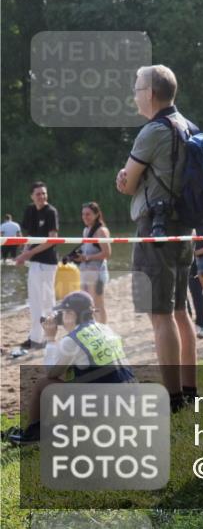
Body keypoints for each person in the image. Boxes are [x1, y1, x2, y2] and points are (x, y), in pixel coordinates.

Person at [115, 64, 198, 411]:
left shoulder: (152, 131)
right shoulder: (188, 127)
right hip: (184, 230)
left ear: (150, 94)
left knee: (160, 315)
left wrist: (124, 178)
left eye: (136, 88)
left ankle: (173, 398)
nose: (133, 94)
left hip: (156, 231)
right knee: (181, 312)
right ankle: (190, 391)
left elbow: (127, 184)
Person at [4, 291, 134, 446]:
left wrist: (51, 339)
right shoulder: (105, 328)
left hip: (106, 409)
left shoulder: (72, 340)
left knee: (43, 384)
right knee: (76, 377)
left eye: (63, 313)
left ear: (72, 314)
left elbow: (51, 372)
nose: (60, 317)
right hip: (129, 402)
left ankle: (32, 436)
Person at [12, 182, 60, 358]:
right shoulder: (30, 210)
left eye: (44, 193)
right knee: (34, 302)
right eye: (38, 194)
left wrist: (27, 254)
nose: (42, 196)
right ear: (31, 196)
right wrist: (23, 255)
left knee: (48, 302)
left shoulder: (51, 212)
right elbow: (31, 237)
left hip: (47, 263)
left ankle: (50, 339)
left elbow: (52, 240)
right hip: (34, 263)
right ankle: (35, 338)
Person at [73, 202, 110, 324]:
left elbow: (107, 253)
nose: (84, 217)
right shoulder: (86, 230)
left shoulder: (101, 231)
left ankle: (103, 330)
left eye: (88, 214)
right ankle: (94, 328)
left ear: (96, 214)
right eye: (83, 214)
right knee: (87, 303)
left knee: (98, 304)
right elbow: (87, 251)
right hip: (86, 272)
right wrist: (78, 256)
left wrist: (87, 257)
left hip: (98, 273)